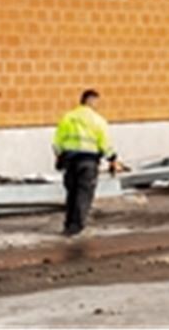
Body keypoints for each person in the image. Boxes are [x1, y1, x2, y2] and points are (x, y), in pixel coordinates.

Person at [52, 89, 117, 236]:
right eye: (96, 102)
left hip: (70, 161)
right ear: (91, 101)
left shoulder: (68, 117)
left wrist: (59, 158)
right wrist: (113, 159)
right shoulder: (98, 120)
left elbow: (57, 143)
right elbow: (105, 144)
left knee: (72, 193)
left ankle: (68, 224)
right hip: (88, 162)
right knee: (84, 193)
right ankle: (76, 226)